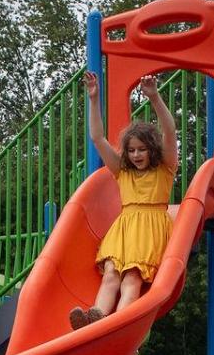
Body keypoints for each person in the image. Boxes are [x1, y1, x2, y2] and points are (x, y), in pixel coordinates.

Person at [70, 69, 182, 328]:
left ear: (152, 149)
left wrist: (154, 98)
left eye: (142, 149)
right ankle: (94, 320)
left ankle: (116, 326)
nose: (136, 155)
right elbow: (97, 138)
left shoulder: (164, 168)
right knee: (111, 274)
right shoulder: (122, 172)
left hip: (149, 229)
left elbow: (169, 130)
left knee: (132, 277)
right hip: (124, 228)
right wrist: (94, 99)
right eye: (131, 150)